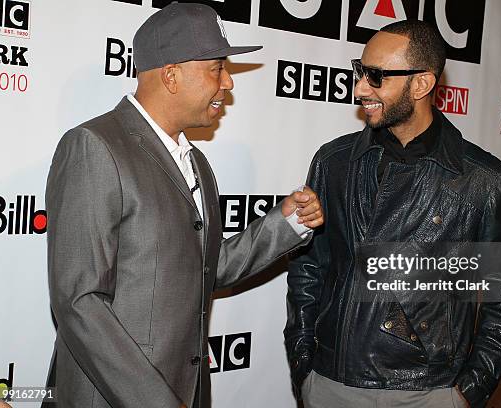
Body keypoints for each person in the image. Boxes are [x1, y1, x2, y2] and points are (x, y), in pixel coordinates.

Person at [44, 3, 323, 408]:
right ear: (171, 75)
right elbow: (80, 301)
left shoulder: (196, 162)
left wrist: (286, 222)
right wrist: (155, 401)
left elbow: (205, 266)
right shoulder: (95, 146)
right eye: (217, 68)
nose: (227, 82)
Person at [285, 20, 501, 408]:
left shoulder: (481, 179)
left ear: (421, 85)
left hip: (428, 389)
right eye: (360, 72)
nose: (359, 88)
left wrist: (468, 392)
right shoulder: (334, 162)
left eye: (376, 76)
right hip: (333, 381)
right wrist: (304, 361)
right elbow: (309, 268)